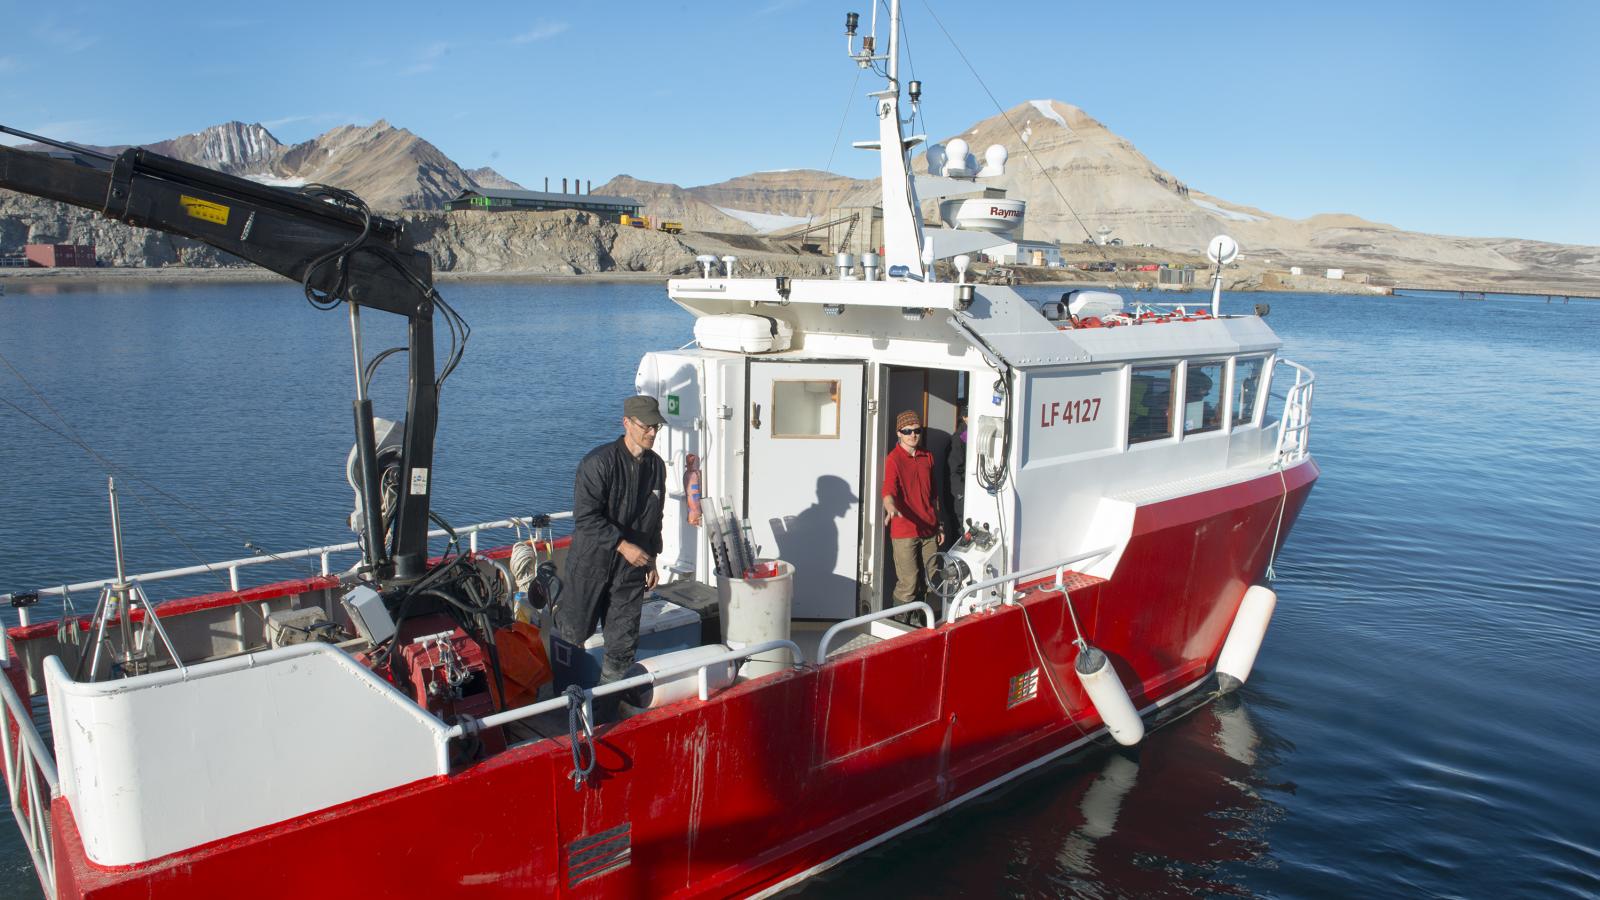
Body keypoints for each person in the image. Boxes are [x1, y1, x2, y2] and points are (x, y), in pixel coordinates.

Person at [554, 395, 668, 685]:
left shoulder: (656, 467)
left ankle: (608, 706)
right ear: (627, 423)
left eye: (657, 427)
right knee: (573, 633)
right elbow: (586, 518)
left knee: (622, 644)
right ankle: (569, 699)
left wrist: (651, 559)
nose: (652, 433)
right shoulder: (597, 463)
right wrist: (622, 545)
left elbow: (655, 518)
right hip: (591, 564)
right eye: (647, 426)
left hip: (630, 571)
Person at [883, 409, 943, 613]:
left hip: (929, 529)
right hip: (905, 531)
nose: (913, 435)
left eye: (916, 430)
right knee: (908, 583)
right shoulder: (894, 459)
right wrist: (890, 507)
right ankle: (899, 626)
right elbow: (888, 490)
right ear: (898, 433)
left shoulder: (927, 456)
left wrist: (939, 524)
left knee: (931, 579)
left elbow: (934, 494)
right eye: (907, 431)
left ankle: (921, 621)